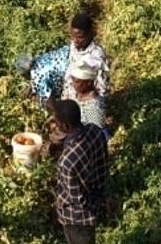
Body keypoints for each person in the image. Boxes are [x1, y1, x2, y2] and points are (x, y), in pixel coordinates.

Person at [26, 12, 111, 109]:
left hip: (84, 108)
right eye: (73, 36)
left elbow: (102, 91)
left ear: (90, 33)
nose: (75, 40)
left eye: (80, 37)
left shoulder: (96, 57)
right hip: (68, 102)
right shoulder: (74, 47)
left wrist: (92, 109)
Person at [53, 100, 109, 244]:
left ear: (65, 126)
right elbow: (102, 164)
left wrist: (97, 205)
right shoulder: (95, 131)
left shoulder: (67, 163)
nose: (55, 126)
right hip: (97, 190)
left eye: (57, 123)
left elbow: (79, 200)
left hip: (77, 218)